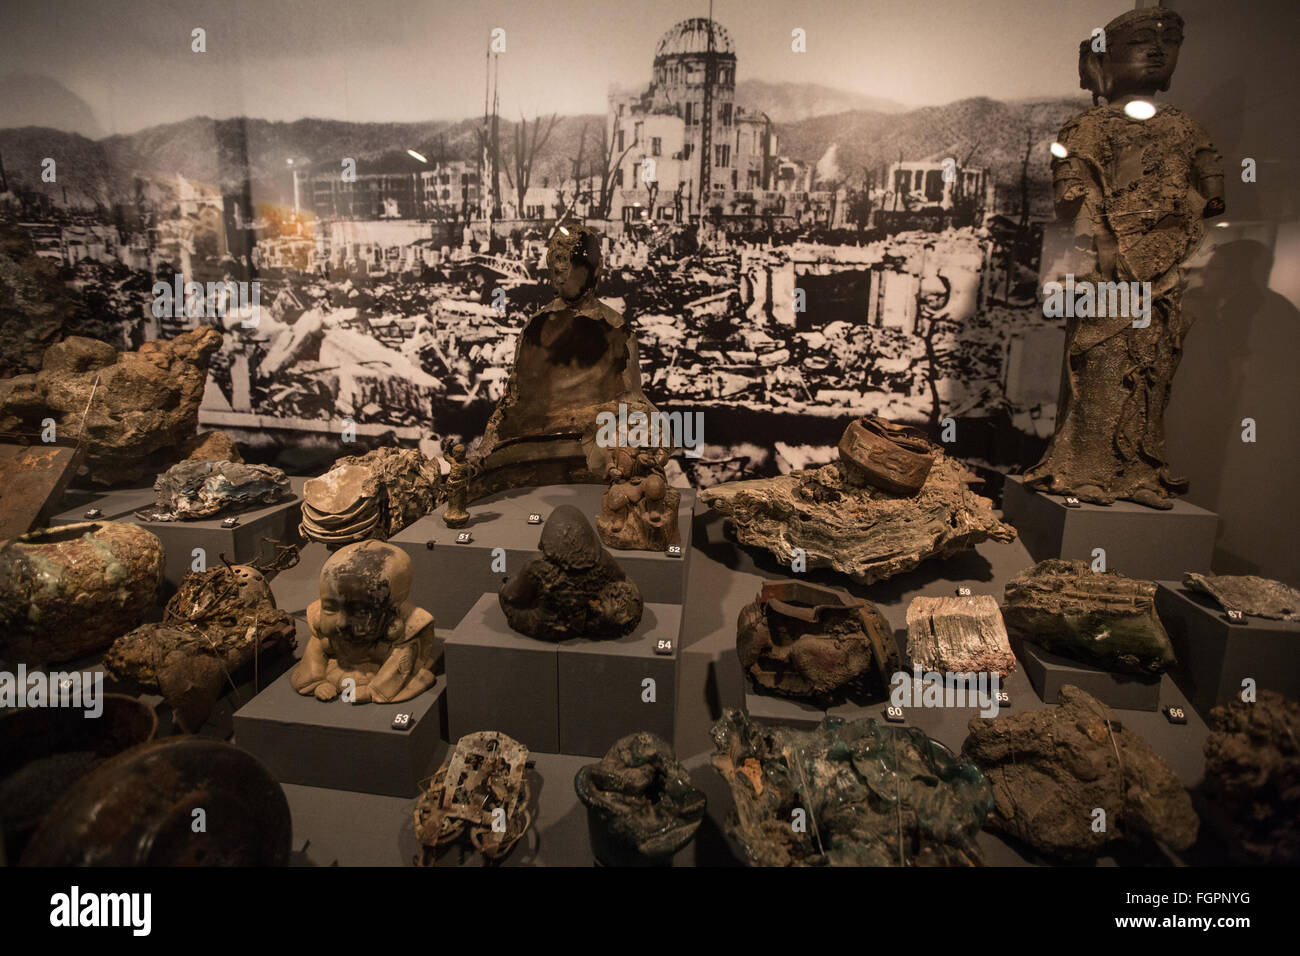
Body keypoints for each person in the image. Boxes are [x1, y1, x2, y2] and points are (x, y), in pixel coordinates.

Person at [1024, 7, 1224, 509]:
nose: (1157, 51)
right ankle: (1082, 469)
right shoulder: (1085, 129)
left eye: (1169, 42)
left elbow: (1211, 195)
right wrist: (1110, 249)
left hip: (1166, 271)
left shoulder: (1186, 128)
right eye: (1140, 42)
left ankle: (1138, 473)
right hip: (1107, 271)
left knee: (1152, 373)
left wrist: (1178, 228)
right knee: (1101, 366)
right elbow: (1075, 199)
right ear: (1104, 59)